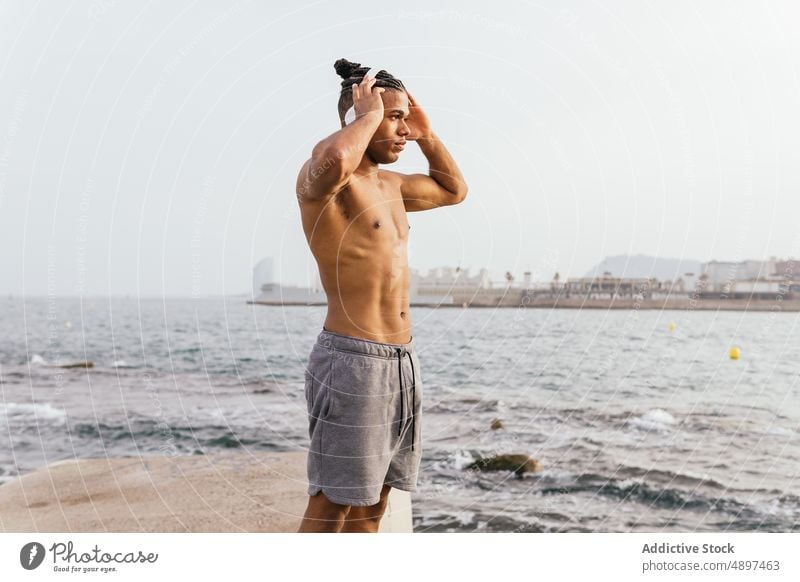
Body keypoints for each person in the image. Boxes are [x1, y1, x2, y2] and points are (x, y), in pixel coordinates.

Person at [295, 58, 468, 533]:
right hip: (353, 359)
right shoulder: (327, 186)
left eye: (406, 120)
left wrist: (426, 130)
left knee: (374, 505)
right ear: (360, 112)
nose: (404, 131)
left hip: (401, 360)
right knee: (332, 506)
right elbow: (332, 160)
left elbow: (454, 190)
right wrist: (368, 116)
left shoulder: (393, 186)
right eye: (396, 118)